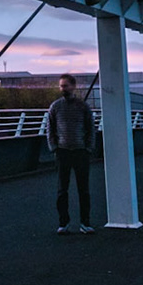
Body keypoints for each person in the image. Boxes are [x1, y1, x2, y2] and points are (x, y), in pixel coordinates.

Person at [44, 74, 95, 234]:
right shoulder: (55, 107)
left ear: (73, 86)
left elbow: (91, 129)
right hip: (63, 152)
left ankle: (85, 223)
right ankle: (63, 223)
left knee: (83, 190)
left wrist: (88, 148)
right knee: (62, 190)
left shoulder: (83, 107)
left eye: (65, 86)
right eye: (61, 86)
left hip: (80, 152)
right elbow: (50, 129)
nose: (62, 89)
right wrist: (54, 148)